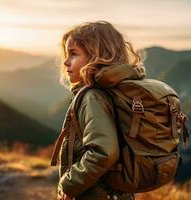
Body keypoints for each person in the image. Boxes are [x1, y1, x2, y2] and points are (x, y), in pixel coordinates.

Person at [55, 20, 146, 200]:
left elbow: (105, 152)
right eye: (66, 54)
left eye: (73, 54)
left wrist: (70, 184)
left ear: (97, 56)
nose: (65, 62)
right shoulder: (113, 91)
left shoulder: (92, 97)